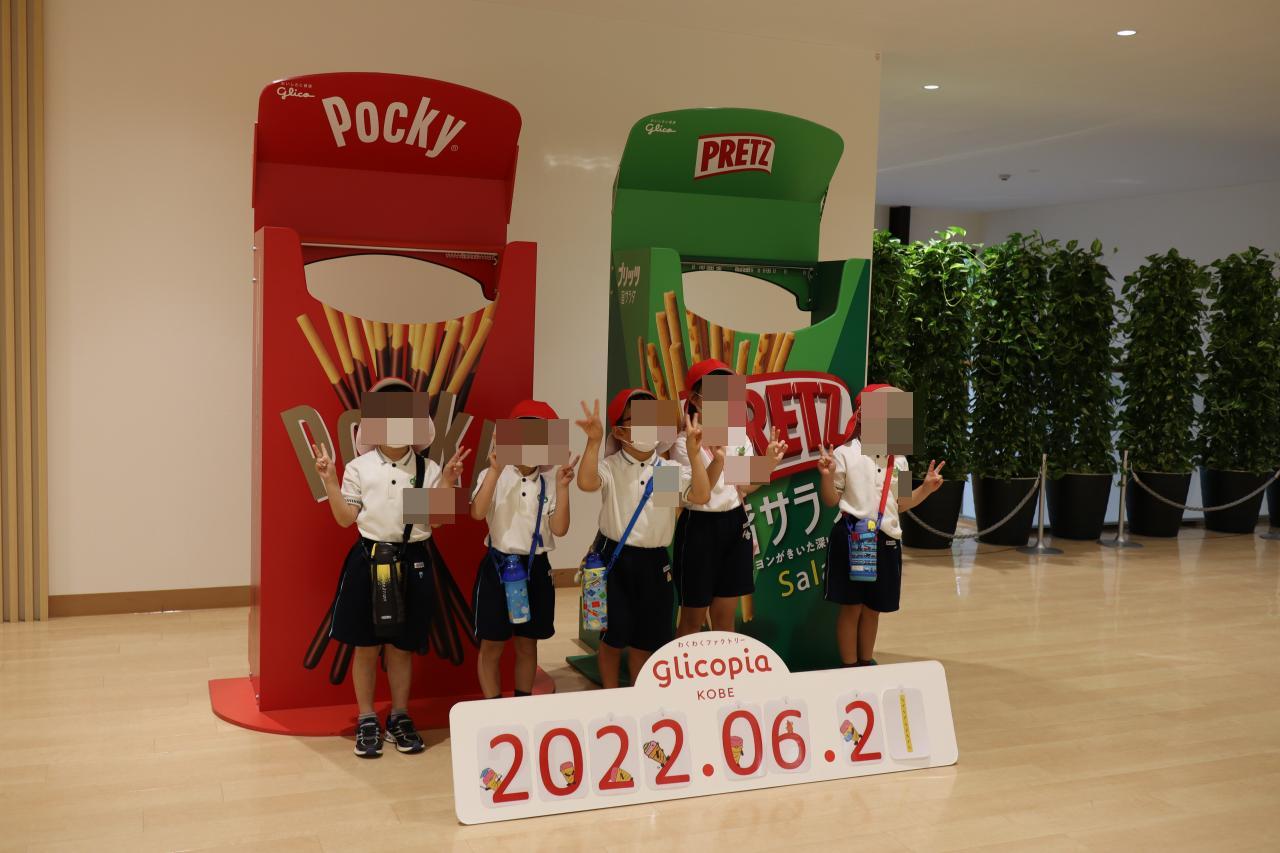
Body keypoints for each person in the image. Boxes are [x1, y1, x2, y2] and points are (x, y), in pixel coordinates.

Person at [313, 379, 470, 758]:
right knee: (365, 647)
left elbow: (434, 521)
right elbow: (345, 518)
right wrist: (330, 479)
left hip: (414, 562)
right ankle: (367, 717)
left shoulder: (428, 468)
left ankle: (400, 715)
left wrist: (448, 482)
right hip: (369, 562)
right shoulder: (359, 468)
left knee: (402, 648)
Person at [575, 388, 711, 687]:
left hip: (655, 563)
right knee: (611, 639)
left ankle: (639, 700)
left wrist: (693, 454)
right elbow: (586, 482)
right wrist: (594, 441)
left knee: (646, 642)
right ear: (620, 431)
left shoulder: (665, 471)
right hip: (615, 560)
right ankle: (611, 698)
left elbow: (701, 495)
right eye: (638, 420)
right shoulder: (612, 466)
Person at [817, 384, 944, 667]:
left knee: (873, 609)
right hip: (854, 535)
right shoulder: (845, 453)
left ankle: (866, 663)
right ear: (864, 414)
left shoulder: (901, 460)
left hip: (885, 539)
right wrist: (826, 476)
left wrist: (926, 488)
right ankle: (849, 668)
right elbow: (831, 500)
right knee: (852, 607)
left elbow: (902, 502)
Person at [470, 400, 578, 699]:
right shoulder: (493, 474)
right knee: (491, 643)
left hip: (536, 569)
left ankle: (522, 703)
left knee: (528, 643)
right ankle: (493, 707)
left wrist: (564, 488)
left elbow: (560, 529)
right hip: (498, 566)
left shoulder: (551, 480)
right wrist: (494, 470)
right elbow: (477, 513)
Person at [670, 359, 786, 636]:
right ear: (695, 399)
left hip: (735, 525)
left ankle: (723, 664)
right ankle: (687, 666)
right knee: (692, 619)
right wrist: (717, 459)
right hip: (698, 527)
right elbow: (698, 495)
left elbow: (745, 486)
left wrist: (768, 464)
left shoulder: (738, 436)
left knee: (725, 618)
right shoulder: (682, 444)